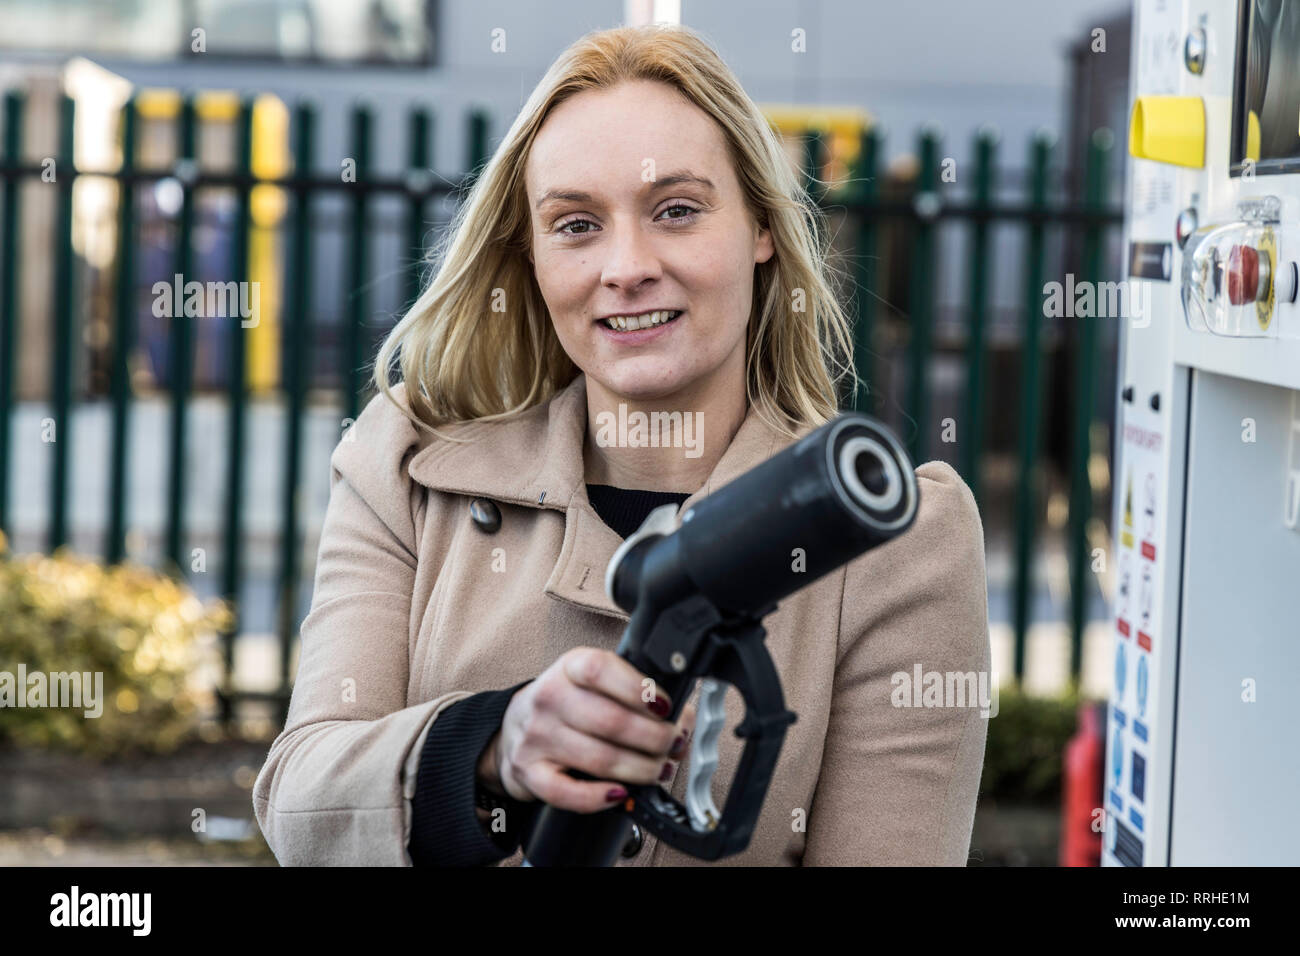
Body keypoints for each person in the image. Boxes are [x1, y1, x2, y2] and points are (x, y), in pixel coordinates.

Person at [252, 23, 991, 867]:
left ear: (761, 228)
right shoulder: (409, 467)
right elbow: (302, 806)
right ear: (529, 255)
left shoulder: (892, 539)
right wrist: (497, 749)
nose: (627, 265)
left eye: (676, 211)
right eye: (575, 225)